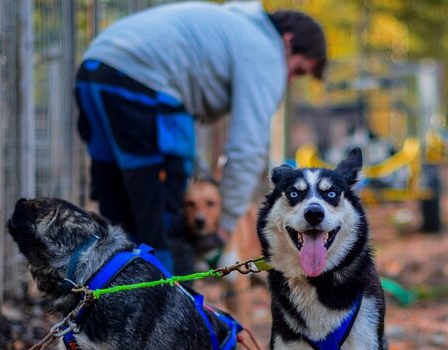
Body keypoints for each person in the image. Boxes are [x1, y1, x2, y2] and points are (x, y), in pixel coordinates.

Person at [75, 1, 326, 273]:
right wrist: (225, 228)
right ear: (288, 43)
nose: (288, 81)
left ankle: (110, 297)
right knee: (166, 221)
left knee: (116, 209)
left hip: (93, 70)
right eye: (298, 70)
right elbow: (248, 148)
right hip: (139, 83)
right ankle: (168, 305)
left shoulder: (232, 28)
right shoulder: (266, 52)